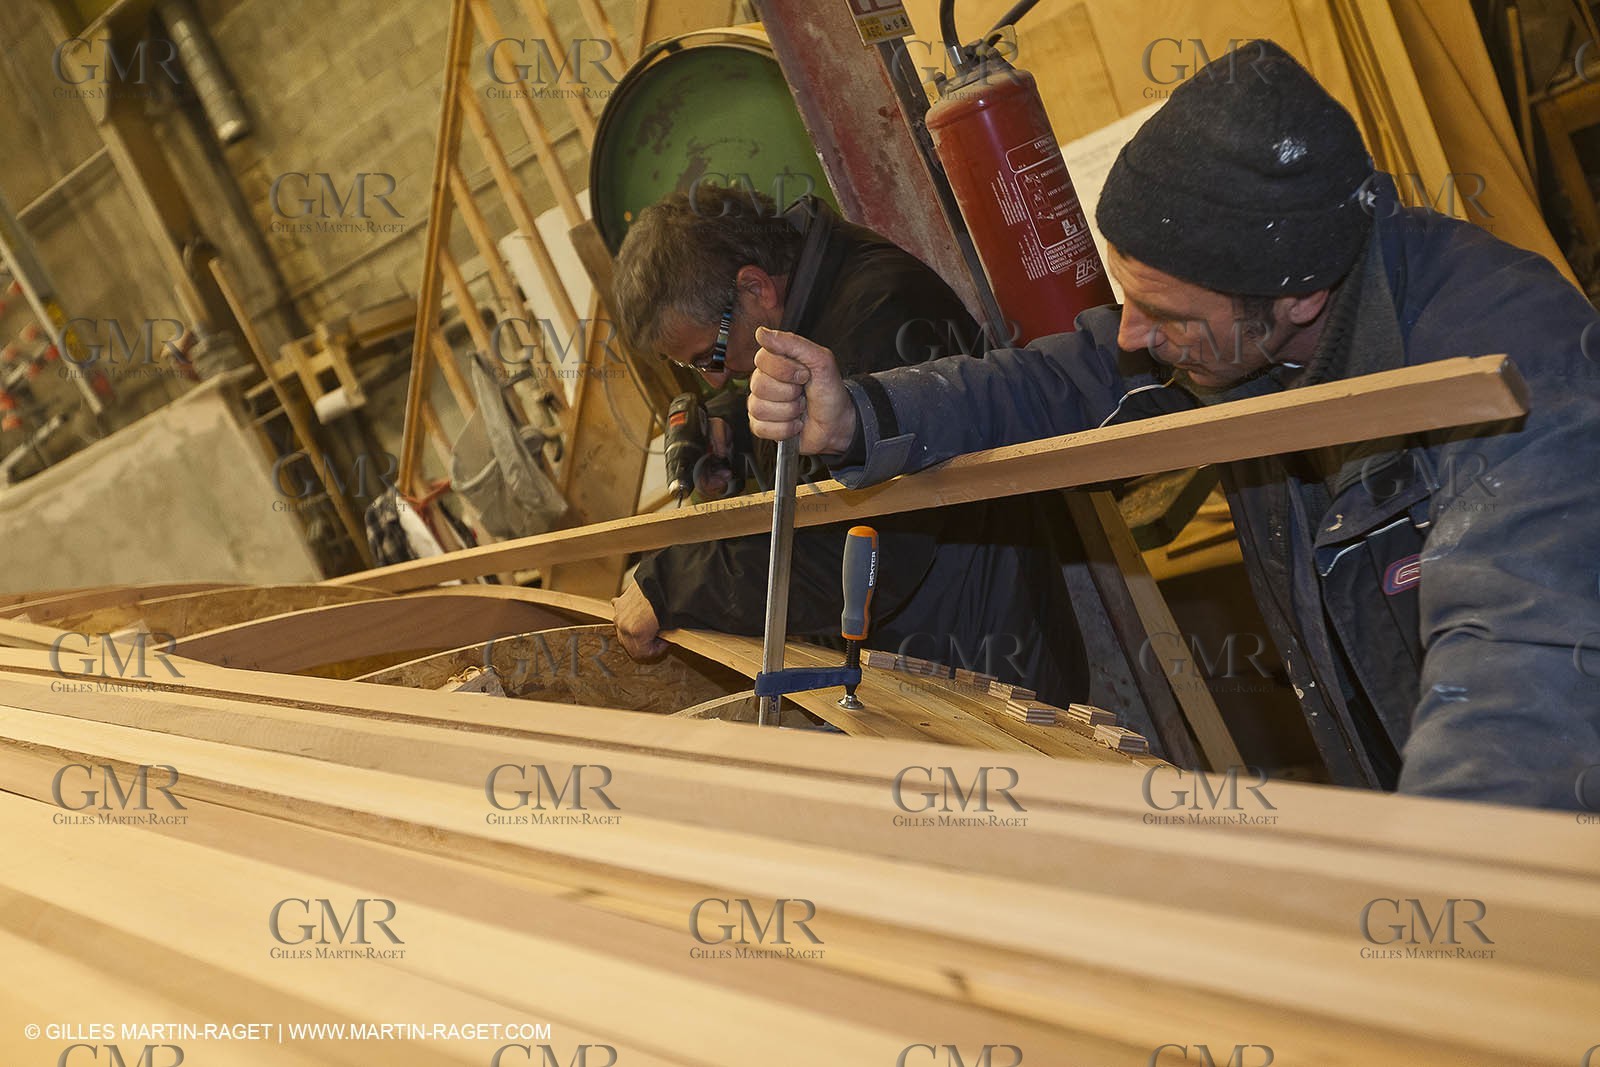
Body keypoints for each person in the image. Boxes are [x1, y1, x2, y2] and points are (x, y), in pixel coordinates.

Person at [746, 39, 1600, 810]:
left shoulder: (1520, 377)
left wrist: (1451, 883)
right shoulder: (1250, 325)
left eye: (1163, 313)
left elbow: (1520, 678)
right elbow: (1059, 381)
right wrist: (859, 415)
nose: (1130, 334)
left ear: (1298, 297)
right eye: (1129, 298)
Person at [607, 185, 1091, 707]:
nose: (714, 379)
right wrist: (736, 427)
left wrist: (678, 585)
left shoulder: (882, 315)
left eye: (710, 356)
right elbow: (827, 423)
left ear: (755, 287)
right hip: (915, 660)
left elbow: (861, 549)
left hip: (987, 666)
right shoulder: (811, 292)